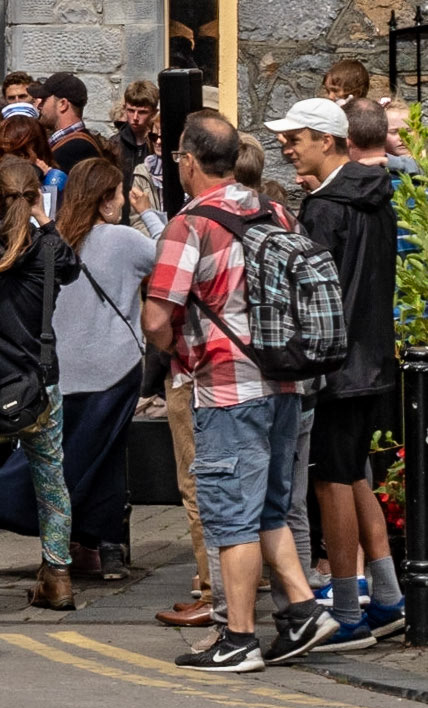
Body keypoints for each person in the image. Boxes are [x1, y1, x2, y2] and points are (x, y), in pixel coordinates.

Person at [143, 111, 335, 673]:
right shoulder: (275, 211)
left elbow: (157, 317)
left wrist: (181, 355)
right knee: (271, 508)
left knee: (231, 518)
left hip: (228, 388)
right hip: (288, 380)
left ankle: (240, 638)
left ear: (188, 161)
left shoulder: (189, 224)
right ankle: (303, 610)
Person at [268, 96, 405, 645]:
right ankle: (388, 597)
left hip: (335, 365)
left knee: (331, 481)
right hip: (375, 357)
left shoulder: (325, 209)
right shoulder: (376, 194)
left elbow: (310, 294)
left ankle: (348, 610)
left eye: (295, 138)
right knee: (355, 475)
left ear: (327, 140)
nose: (286, 147)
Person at [0, 155, 81, 618]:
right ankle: (58, 574)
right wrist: (46, 220)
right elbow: (71, 267)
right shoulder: (48, 250)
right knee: (51, 478)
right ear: (34, 198)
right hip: (40, 383)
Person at [45, 155, 157, 583]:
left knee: (69, 456)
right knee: (110, 456)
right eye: (120, 194)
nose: (124, 202)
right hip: (115, 365)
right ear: (106, 199)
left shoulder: (53, 240)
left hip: (63, 369)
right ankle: (109, 547)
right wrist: (150, 212)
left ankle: (74, 543)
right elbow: (173, 256)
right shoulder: (124, 239)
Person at [35, 73, 100, 174]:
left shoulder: (77, 149)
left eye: (44, 100)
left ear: (63, 104)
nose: (39, 106)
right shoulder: (76, 143)